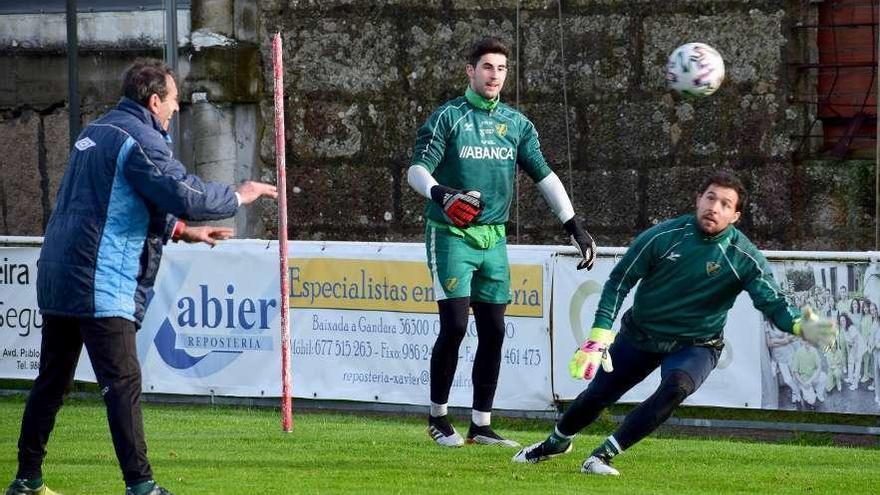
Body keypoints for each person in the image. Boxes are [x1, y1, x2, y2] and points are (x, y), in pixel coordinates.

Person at [5, 59, 278, 495]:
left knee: (51, 382)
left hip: (60, 274)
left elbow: (116, 203)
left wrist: (180, 231)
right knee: (123, 384)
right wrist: (237, 195)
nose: (176, 110)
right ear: (154, 100)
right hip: (99, 277)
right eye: (173, 101)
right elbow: (183, 193)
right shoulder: (141, 138)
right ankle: (141, 486)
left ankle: (26, 480)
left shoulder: (95, 132)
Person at [512, 170, 837, 475]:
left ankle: (601, 456)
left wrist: (798, 325)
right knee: (598, 395)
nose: (715, 208)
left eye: (725, 204)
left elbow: (773, 303)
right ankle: (556, 442)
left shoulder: (743, 256)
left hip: (697, 344)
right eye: (710, 198)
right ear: (698, 199)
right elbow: (618, 281)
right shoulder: (664, 236)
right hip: (641, 334)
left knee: (676, 387)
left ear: (735, 216)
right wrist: (599, 336)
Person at [406, 37, 597, 448]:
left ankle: (481, 425)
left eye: (502, 69)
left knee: (494, 330)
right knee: (455, 325)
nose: (495, 75)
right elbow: (416, 170)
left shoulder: (517, 125)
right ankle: (438, 417)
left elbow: (545, 176)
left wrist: (574, 226)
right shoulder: (449, 117)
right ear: (470, 71)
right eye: (487, 67)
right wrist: (441, 194)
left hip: (494, 237)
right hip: (450, 234)